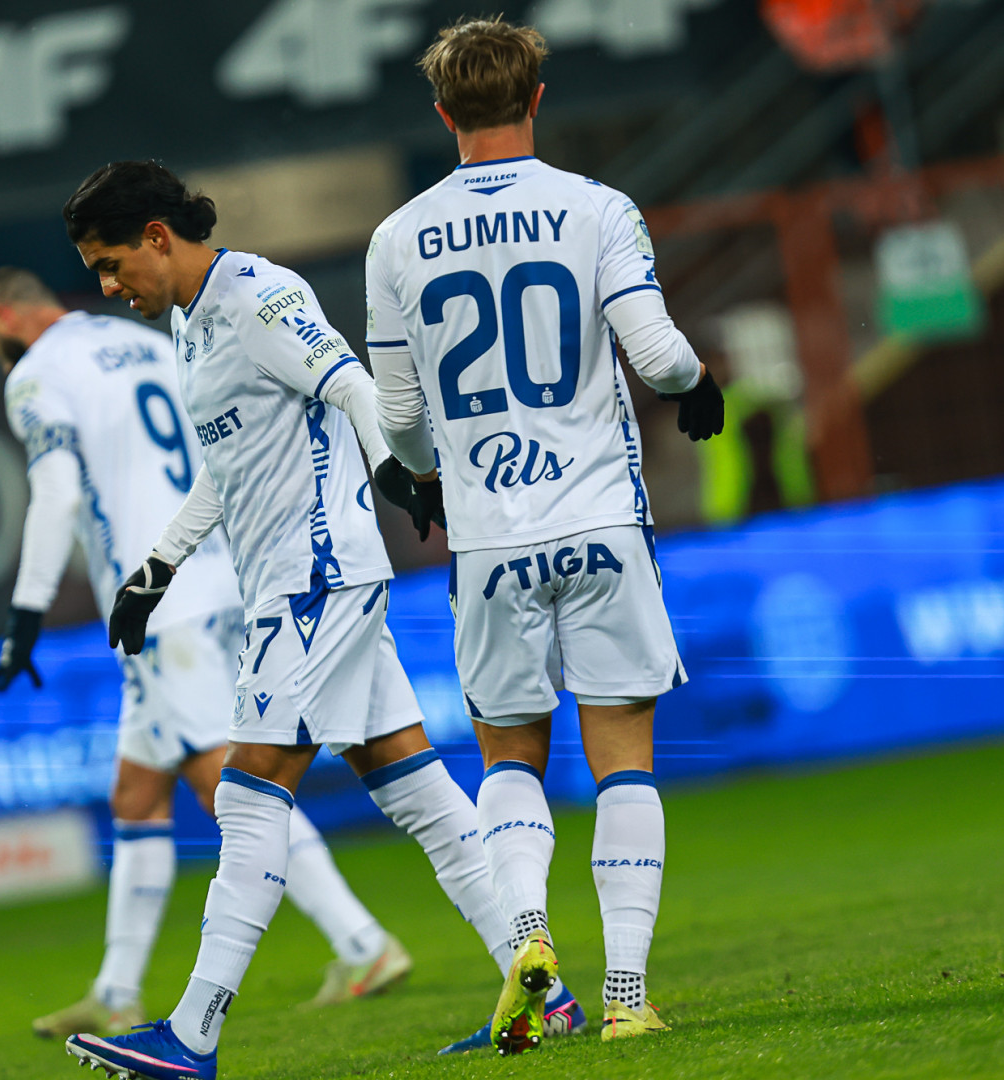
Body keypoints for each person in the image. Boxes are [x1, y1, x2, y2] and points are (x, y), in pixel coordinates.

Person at [57, 161, 589, 1080]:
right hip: (298, 583)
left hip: (315, 581)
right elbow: (228, 467)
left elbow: (350, 384)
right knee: (417, 789)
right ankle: (546, 997)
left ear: (156, 236)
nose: (108, 287)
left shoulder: (258, 297)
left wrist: (393, 470)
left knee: (248, 790)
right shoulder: (191, 321)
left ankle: (191, 1035)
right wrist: (158, 566)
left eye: (110, 264)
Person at [365, 17, 725, 1055]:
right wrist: (699, 383)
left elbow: (398, 415)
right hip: (599, 520)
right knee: (624, 762)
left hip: (487, 540)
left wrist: (424, 477)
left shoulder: (397, 238)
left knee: (509, 756)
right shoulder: (596, 207)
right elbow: (656, 355)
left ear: (443, 113)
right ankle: (625, 996)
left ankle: (528, 934)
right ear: (535, 98)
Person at [0, 268, 415, 1038]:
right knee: (137, 793)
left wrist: (26, 612)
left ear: (5, 317)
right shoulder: (144, 342)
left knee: (233, 785)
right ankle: (116, 991)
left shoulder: (38, 374)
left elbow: (58, 492)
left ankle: (362, 942)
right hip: (226, 574)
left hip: (158, 606)